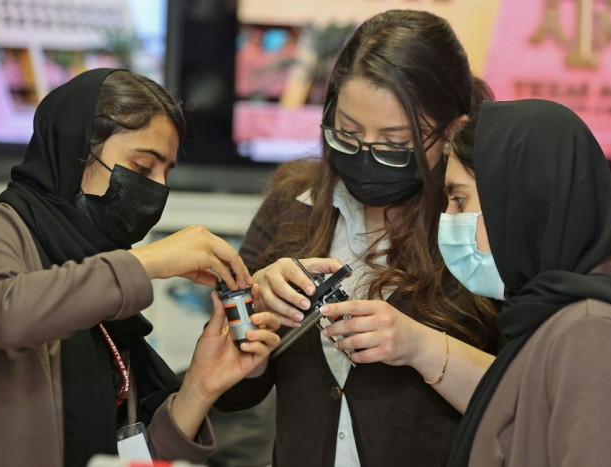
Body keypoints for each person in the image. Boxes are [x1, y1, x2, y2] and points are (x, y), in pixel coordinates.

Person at [0, 69, 280, 467]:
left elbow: (129, 457)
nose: (157, 191)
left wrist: (200, 388)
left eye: (165, 174)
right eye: (142, 169)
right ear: (76, 151)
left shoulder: (107, 300)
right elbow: (3, 313)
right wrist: (149, 260)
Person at [215, 10, 501, 466]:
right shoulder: (293, 204)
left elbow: (529, 402)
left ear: (451, 131)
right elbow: (230, 393)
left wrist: (420, 346)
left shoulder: (477, 221)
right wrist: (255, 309)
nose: (366, 155)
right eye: (347, 134)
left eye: (393, 142)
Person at [440, 99, 611, 466]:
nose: (449, 218)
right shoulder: (544, 321)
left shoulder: (591, 334)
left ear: (520, 200)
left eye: (459, 199)